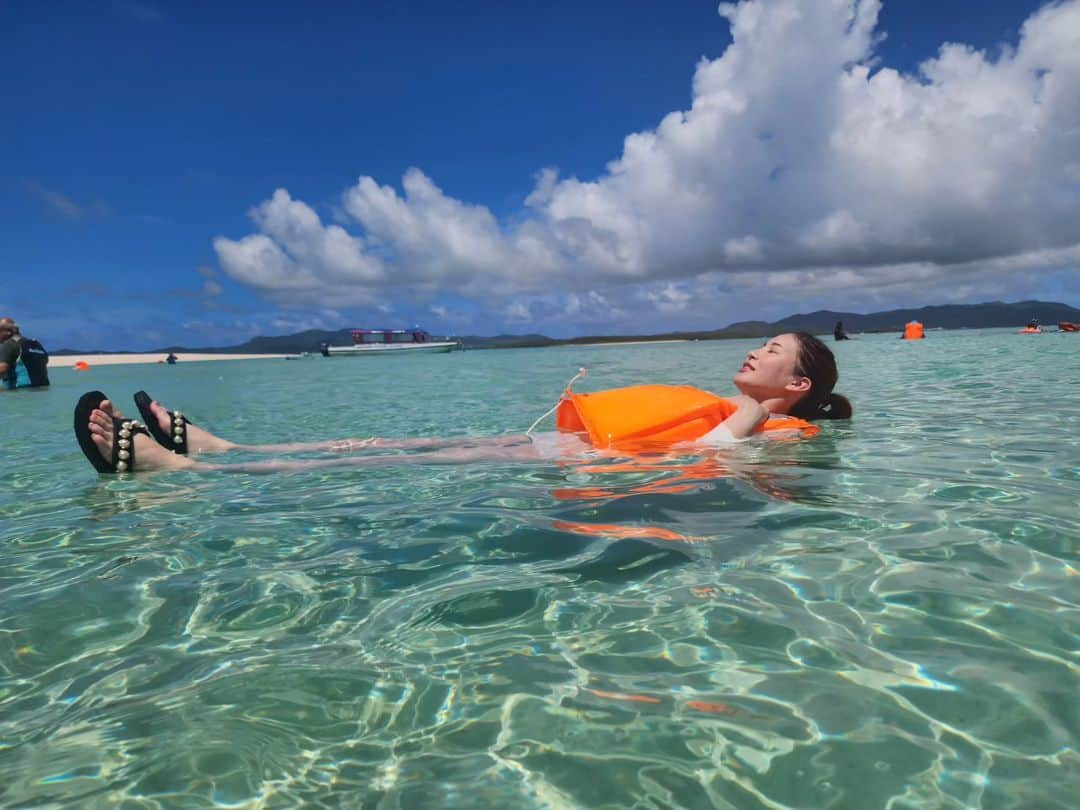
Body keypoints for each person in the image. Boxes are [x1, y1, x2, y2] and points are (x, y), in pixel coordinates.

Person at [74, 332, 852, 474]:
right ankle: (223, 454)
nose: (758, 349)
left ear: (797, 387)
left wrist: (750, 415)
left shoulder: (774, 427)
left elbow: (704, 464)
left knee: (379, 467)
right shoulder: (730, 401)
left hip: (584, 466)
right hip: (564, 452)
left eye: (776, 351)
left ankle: (191, 470)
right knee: (379, 450)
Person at [0, 317, 50, 390]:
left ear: (8, 332)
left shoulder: (9, 344)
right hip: (43, 390)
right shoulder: (36, 344)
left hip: (21, 392)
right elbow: (46, 360)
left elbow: (2, 369)